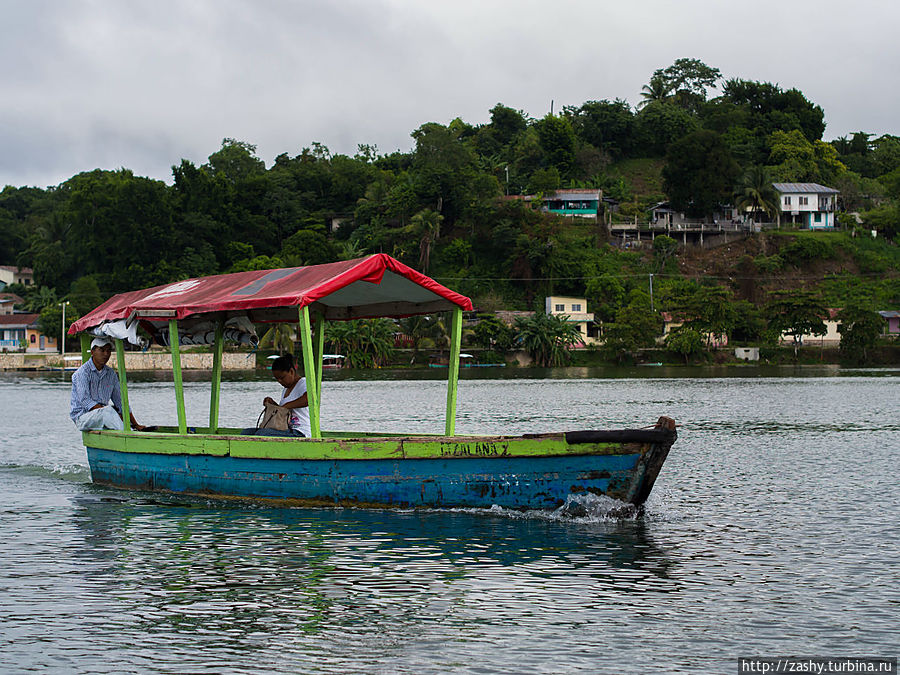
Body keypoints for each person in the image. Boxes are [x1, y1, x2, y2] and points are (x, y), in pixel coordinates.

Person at [70, 337, 145, 431]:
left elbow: (120, 402)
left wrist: (136, 424)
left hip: (104, 415)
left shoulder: (111, 374)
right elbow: (85, 401)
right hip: (83, 418)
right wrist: (109, 412)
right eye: (101, 350)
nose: (106, 354)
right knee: (108, 411)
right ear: (92, 352)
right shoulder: (82, 373)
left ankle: (131, 429)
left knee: (113, 410)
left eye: (108, 351)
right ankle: (129, 435)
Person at [242, 354, 310, 437]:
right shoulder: (286, 388)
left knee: (263, 434)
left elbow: (308, 399)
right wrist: (273, 404)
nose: (279, 381)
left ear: (291, 371)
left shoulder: (303, 383)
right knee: (246, 433)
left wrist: (286, 406)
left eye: (282, 378)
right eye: (277, 379)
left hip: (300, 432)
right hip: (285, 429)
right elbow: (284, 411)